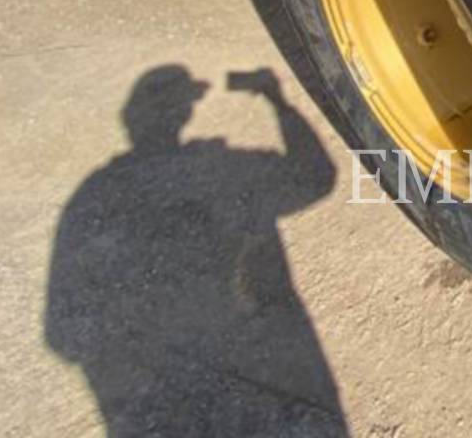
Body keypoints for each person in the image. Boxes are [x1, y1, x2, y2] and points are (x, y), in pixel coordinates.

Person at [45, 66, 344, 436]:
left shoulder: (94, 193)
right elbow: (315, 177)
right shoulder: (216, 169)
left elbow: (62, 333)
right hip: (251, 396)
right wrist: (277, 101)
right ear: (182, 112)